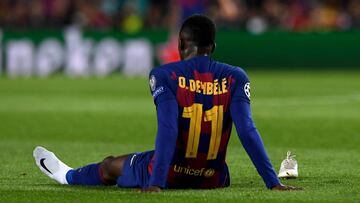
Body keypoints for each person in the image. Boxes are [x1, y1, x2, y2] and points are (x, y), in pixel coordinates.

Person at [33, 14, 300, 192]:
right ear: (213, 46)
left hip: (170, 173)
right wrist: (272, 183)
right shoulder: (236, 76)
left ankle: (67, 176)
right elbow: (246, 130)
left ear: (181, 43)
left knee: (110, 165)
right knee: (217, 161)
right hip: (213, 179)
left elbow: (169, 128)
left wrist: (157, 182)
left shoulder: (164, 75)